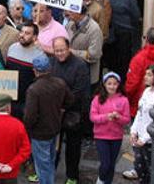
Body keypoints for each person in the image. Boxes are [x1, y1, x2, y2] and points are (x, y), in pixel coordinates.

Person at [23, 55, 72, 184]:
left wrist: (27, 128)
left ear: (35, 70)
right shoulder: (60, 83)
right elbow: (69, 101)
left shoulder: (34, 90)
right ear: (49, 68)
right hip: (55, 129)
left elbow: (30, 116)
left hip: (39, 133)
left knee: (42, 166)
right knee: (50, 161)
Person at [51, 37, 90, 184]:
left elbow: (79, 92)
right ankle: (51, 172)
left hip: (74, 112)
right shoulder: (52, 62)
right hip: (56, 111)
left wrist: (63, 106)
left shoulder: (80, 65)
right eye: (57, 51)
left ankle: (72, 176)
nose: (59, 53)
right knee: (54, 146)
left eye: (62, 50)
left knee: (73, 147)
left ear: (69, 49)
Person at [90, 72, 131, 184]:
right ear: (104, 84)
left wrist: (118, 117)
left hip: (116, 136)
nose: (112, 86)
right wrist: (106, 117)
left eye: (114, 84)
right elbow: (93, 117)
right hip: (101, 136)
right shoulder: (97, 99)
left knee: (112, 164)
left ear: (118, 85)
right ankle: (101, 179)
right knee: (105, 163)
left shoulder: (123, 100)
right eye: (109, 84)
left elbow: (126, 119)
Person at [103, 0, 141, 76]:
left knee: (123, 60)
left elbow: (136, 15)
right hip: (110, 32)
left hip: (124, 33)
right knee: (111, 59)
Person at [5, 22, 44, 117]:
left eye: (27, 33)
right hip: (10, 98)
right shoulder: (12, 48)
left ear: (35, 37)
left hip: (27, 101)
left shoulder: (40, 55)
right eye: (22, 32)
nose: (22, 35)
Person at [66, 5, 104, 88]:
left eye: (70, 11)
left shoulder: (94, 29)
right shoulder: (70, 24)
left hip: (87, 76)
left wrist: (72, 52)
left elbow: (94, 55)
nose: (67, 13)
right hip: (71, 73)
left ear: (79, 13)